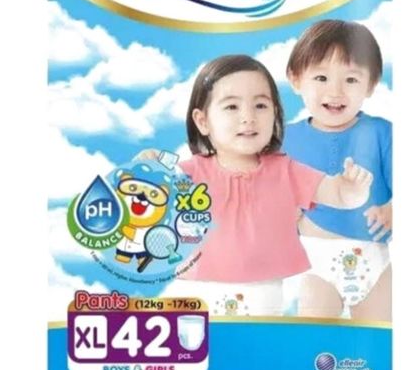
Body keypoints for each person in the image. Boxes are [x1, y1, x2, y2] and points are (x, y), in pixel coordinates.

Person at [138, 54, 372, 316]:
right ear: (203, 121)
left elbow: (336, 194)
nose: (248, 117)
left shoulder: (286, 171)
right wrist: (146, 172)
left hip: (264, 289)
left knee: (258, 339)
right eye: (232, 107)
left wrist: (351, 188)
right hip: (197, 288)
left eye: (260, 105)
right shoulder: (188, 174)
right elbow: (146, 205)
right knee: (202, 340)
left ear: (275, 114)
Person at [284, 20, 392, 320]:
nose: (335, 91)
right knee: (315, 333)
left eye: (351, 79)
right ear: (296, 79)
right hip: (317, 259)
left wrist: (393, 209)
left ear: (371, 84)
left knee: (378, 334)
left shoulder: (382, 133)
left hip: (374, 258)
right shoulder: (284, 139)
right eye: (321, 77)